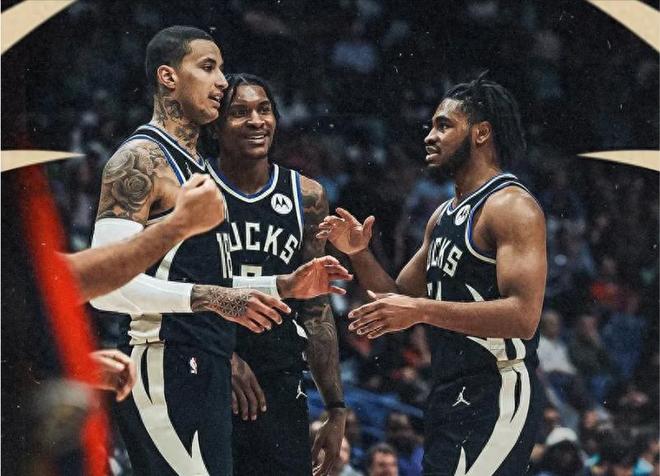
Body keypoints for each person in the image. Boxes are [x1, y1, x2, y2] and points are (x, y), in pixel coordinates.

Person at [90, 27, 349, 475]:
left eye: (222, 69)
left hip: (203, 360)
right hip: (163, 359)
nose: (221, 81)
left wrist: (282, 285)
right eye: (208, 67)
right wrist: (212, 299)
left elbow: (193, 274)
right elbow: (103, 284)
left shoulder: (196, 170)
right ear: (169, 77)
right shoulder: (140, 159)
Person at [318, 73, 547, 475]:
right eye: (431, 126)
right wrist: (359, 253)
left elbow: (523, 316)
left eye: (444, 126)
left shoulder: (512, 207)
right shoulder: (443, 216)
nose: (430, 136)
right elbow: (395, 299)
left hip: (497, 387)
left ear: (481, 133)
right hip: (446, 391)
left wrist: (422, 310)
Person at [205, 73, 347, 476]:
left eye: (264, 110)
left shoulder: (307, 196)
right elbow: (176, 286)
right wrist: (223, 357)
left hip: (280, 375)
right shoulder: (194, 189)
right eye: (239, 112)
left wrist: (335, 408)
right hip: (208, 366)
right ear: (215, 126)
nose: (256, 121)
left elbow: (316, 308)